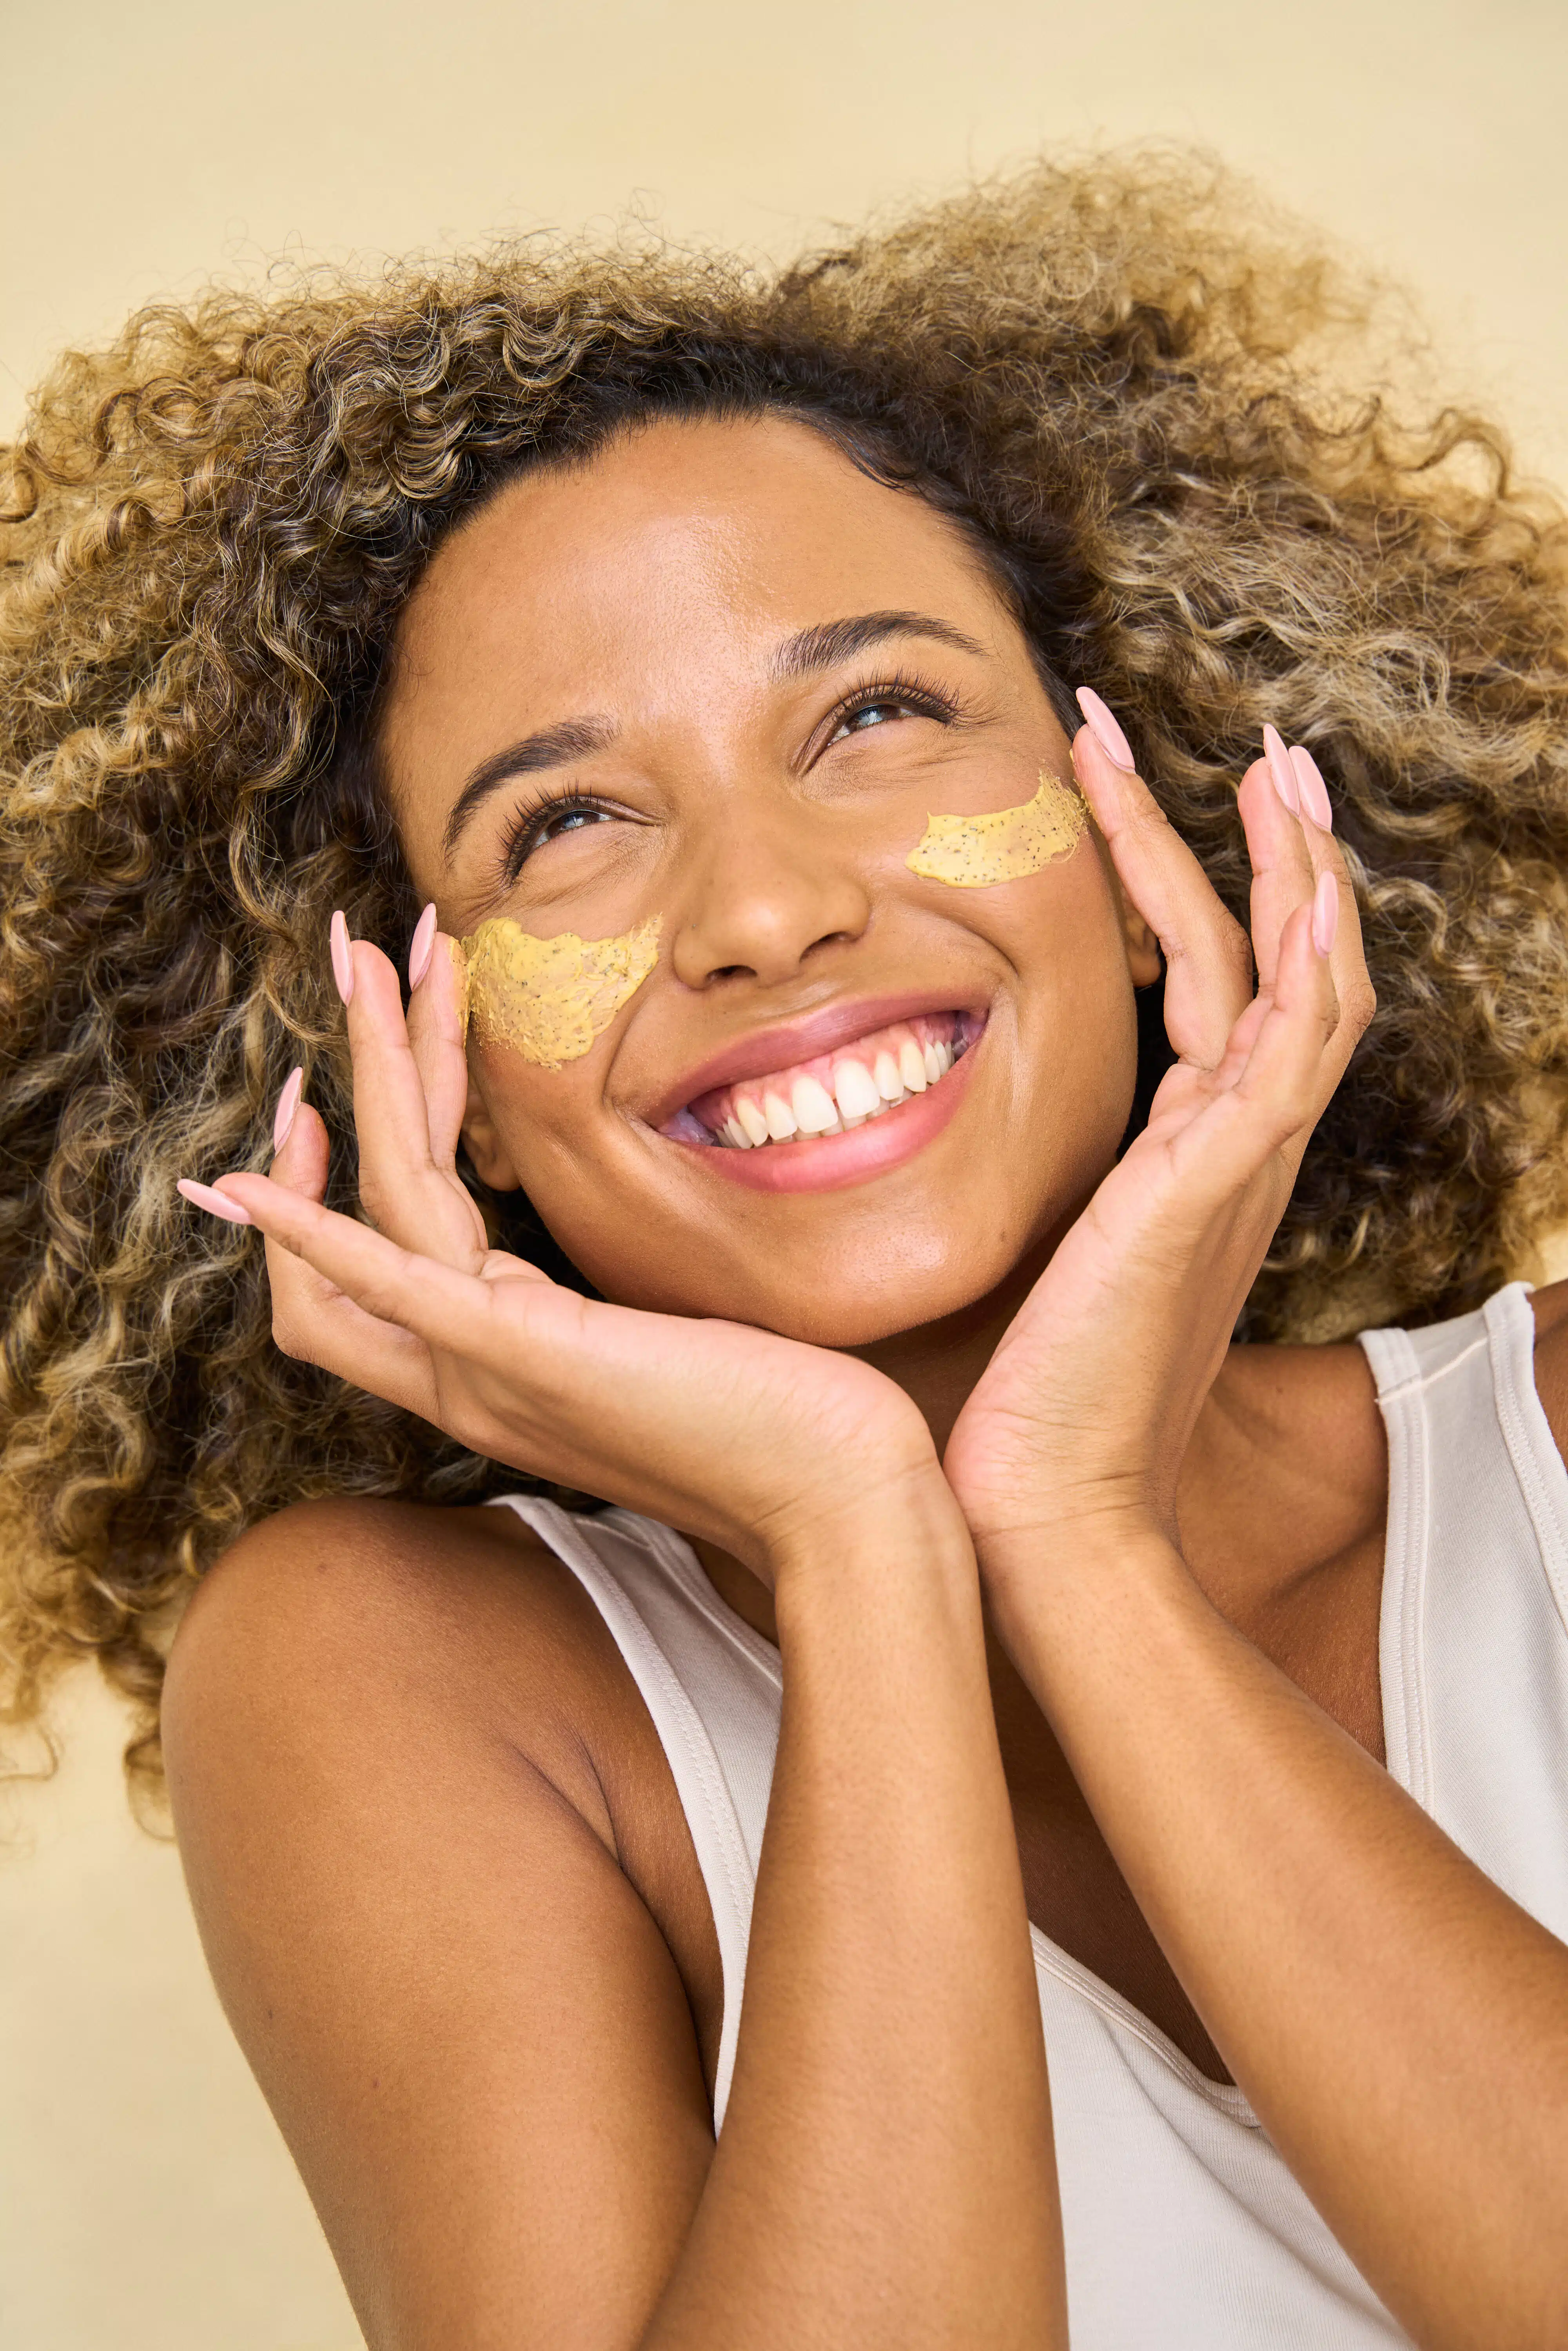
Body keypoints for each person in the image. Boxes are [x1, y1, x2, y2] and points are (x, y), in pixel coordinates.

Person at [3, 155, 1568, 2350]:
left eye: (876, 716)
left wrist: (1074, 1534)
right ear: (427, 1063)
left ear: (1144, 843)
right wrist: (861, 1538)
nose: (761, 909)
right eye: (567, 825)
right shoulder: (415, 1685)